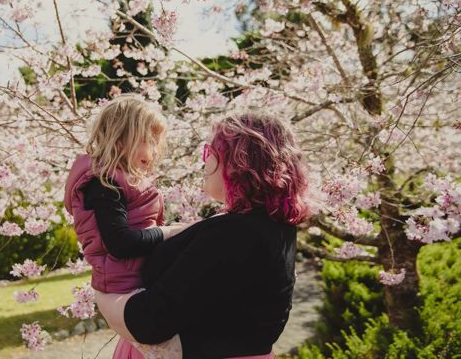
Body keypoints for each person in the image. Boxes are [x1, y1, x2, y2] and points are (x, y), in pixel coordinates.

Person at [95, 112, 311, 358]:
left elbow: (150, 322)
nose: (204, 161)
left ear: (238, 162)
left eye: (209, 151)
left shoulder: (234, 233)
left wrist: (103, 296)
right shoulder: (276, 227)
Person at [64, 94, 185, 359]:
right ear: (120, 139)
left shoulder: (121, 181)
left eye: (157, 142)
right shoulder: (103, 184)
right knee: (178, 350)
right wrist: (170, 232)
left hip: (137, 280)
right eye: (148, 140)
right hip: (124, 284)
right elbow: (120, 244)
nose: (154, 151)